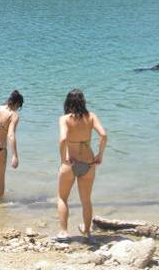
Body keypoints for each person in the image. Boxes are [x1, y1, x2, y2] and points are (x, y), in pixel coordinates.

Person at [57, 89, 107, 240]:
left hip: (70, 163)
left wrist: (63, 158)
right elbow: (103, 135)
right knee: (86, 200)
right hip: (88, 162)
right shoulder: (91, 117)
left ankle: (64, 232)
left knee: (62, 198)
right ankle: (87, 232)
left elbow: (63, 139)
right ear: (83, 102)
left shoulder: (64, 119)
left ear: (67, 102)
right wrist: (100, 154)